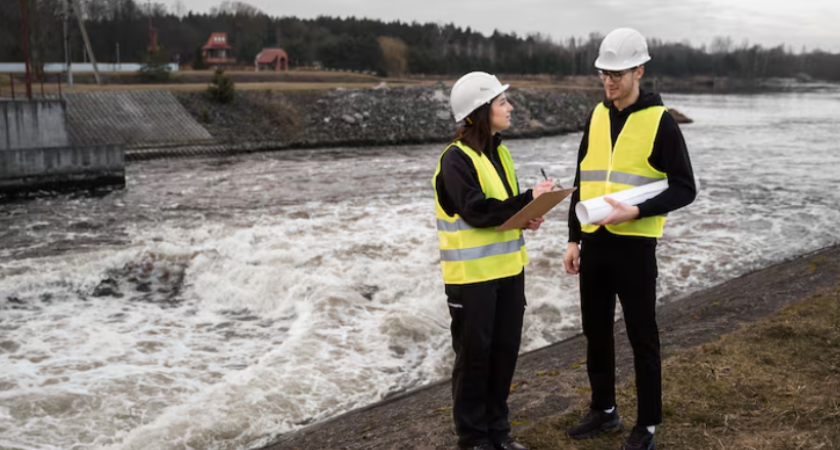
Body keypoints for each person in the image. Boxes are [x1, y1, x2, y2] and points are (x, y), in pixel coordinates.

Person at [562, 28, 697, 450]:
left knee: (642, 335)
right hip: (595, 244)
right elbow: (582, 178)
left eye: (617, 74)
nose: (609, 81)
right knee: (596, 331)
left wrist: (636, 211)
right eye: (604, 73)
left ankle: (648, 425)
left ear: (639, 71)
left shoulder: (660, 122)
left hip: (635, 248)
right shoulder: (597, 115)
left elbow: (685, 188)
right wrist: (573, 238)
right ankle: (604, 410)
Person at [432, 71, 553, 450]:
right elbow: (477, 210)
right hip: (472, 280)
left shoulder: (501, 152)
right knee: (474, 360)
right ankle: (473, 440)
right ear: (481, 111)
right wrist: (528, 199)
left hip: (509, 273)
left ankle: (499, 434)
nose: (510, 107)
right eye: (502, 102)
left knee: (503, 355)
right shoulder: (455, 160)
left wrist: (527, 216)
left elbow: (502, 212)